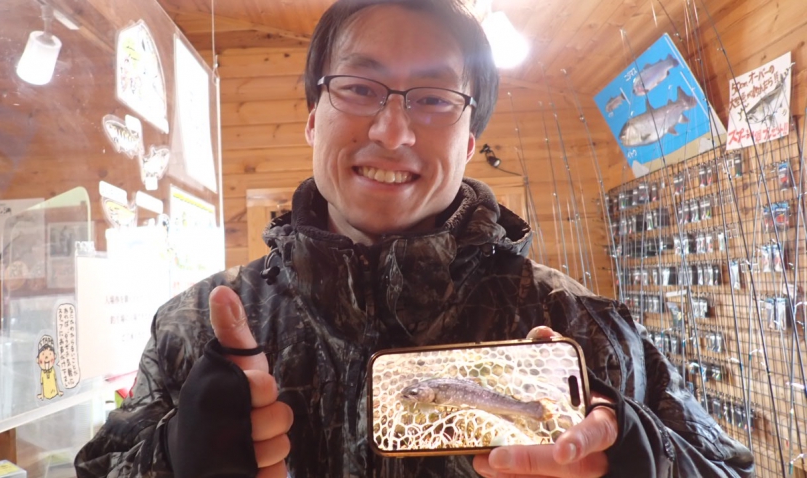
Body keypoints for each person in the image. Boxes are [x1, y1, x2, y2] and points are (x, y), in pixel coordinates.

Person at [75, 0, 754, 476]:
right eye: (359, 88)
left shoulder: (582, 327)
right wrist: (168, 459)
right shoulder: (196, 330)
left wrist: (636, 457)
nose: (392, 132)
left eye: (433, 99)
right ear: (313, 118)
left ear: (470, 142)